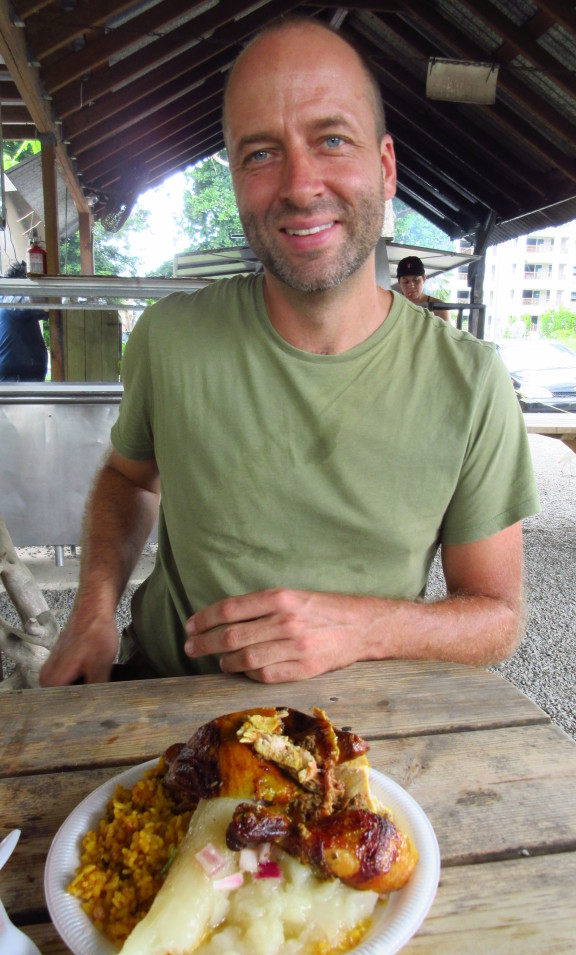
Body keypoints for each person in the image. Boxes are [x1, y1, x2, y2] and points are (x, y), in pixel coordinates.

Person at [40, 16, 540, 689]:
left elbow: (496, 616)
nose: (300, 186)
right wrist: (92, 613)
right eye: (261, 153)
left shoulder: (472, 382)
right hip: (161, 695)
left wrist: (358, 629)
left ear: (385, 167)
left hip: (352, 728)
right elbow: (130, 480)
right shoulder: (169, 337)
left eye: (331, 139)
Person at [0, 262, 48, 381]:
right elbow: (41, 305)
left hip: (21, 374)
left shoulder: (6, 299)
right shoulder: (12, 299)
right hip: (18, 377)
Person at [396, 255, 450, 322]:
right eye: (406, 282)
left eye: (416, 280)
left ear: (424, 278)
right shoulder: (394, 305)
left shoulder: (438, 307)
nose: (411, 285)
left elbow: (445, 332)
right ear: (399, 282)